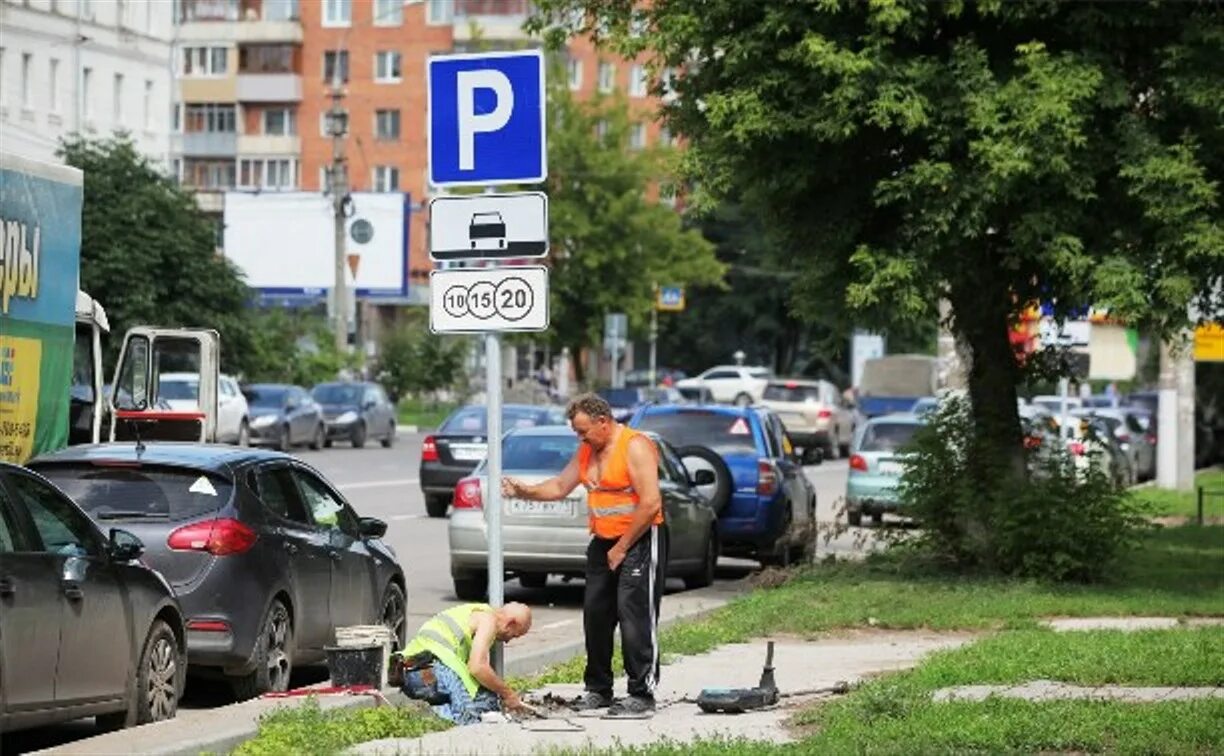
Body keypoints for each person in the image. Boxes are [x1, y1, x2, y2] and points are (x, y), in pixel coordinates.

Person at [502, 393, 667, 718]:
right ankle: (598, 689)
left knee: (634, 615)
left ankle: (642, 693)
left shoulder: (635, 446)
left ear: (602, 422)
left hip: (640, 538)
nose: (581, 438)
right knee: (596, 614)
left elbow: (650, 504)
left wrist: (622, 548)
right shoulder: (587, 451)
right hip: (603, 541)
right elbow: (560, 486)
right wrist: (525, 491)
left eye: (583, 431)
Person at [394, 602, 533, 725]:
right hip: (431, 670)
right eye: (514, 635)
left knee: (488, 700)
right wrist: (508, 694)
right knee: (469, 716)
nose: (508, 641)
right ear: (511, 623)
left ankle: (436, 709)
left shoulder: (474, 612)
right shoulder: (488, 620)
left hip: (411, 673)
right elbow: (477, 668)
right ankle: (432, 716)